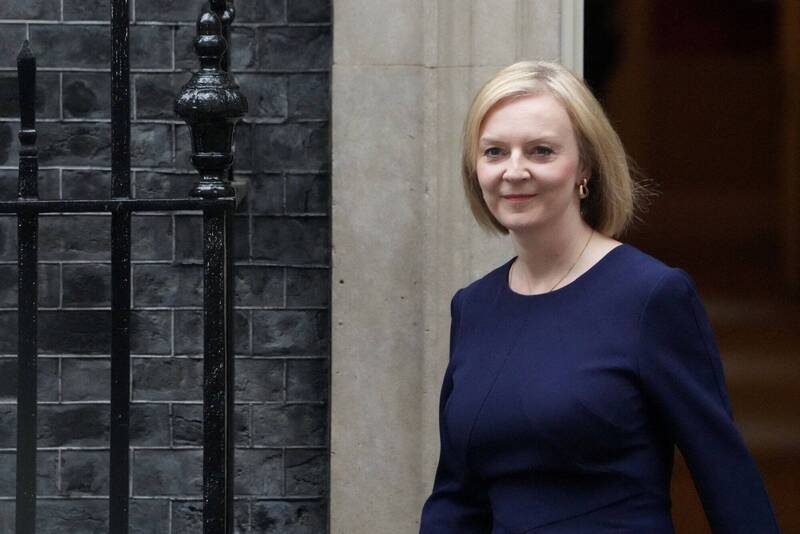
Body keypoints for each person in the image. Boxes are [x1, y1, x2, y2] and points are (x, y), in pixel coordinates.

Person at [418, 61, 780, 533]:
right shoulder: (473, 307)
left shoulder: (651, 296)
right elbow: (457, 497)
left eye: (542, 151)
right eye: (494, 152)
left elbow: (726, 477)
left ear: (585, 166)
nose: (514, 170)